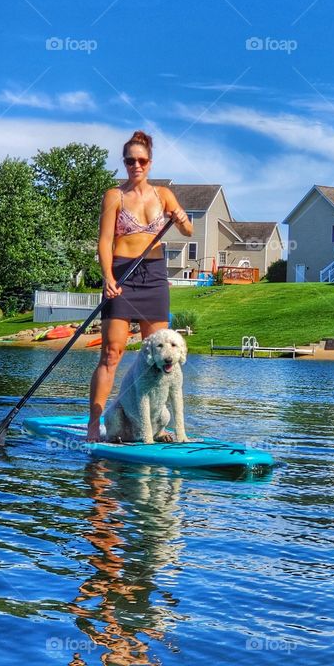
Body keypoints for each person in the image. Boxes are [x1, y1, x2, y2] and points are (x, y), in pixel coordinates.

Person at [87, 131, 192, 441]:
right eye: (130, 160)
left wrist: (183, 218)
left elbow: (187, 230)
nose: (136, 165)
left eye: (141, 160)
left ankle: (155, 426)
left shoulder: (163, 195)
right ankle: (95, 424)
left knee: (159, 355)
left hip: (155, 276)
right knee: (112, 353)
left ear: (150, 162)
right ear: (125, 163)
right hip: (121, 273)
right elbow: (105, 241)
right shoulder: (114, 196)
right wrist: (107, 276)